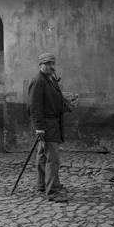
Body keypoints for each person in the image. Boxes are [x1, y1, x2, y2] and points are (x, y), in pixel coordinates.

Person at [27, 52, 76, 204]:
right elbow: (34, 107)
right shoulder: (38, 81)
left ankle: (42, 185)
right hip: (45, 125)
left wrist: (66, 102)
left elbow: (54, 98)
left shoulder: (51, 79)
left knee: (42, 155)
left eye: (52, 63)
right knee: (53, 158)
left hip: (53, 123)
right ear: (40, 65)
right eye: (47, 63)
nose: (51, 66)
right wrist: (39, 128)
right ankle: (53, 192)